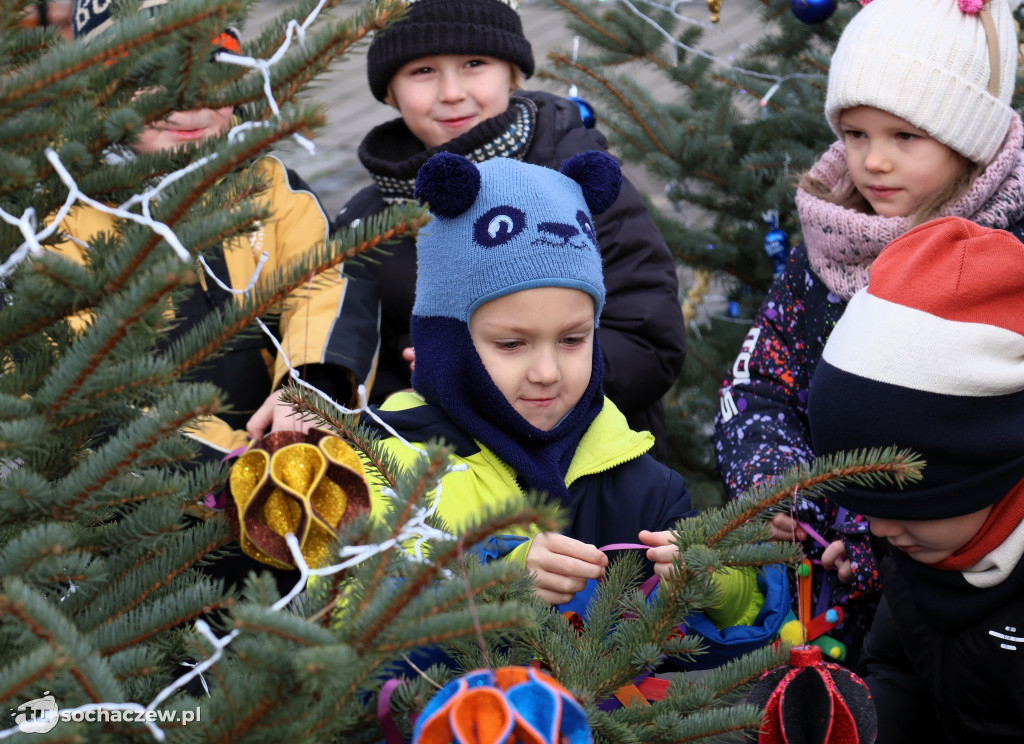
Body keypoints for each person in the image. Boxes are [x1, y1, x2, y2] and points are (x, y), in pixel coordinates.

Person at [358, 151, 788, 664]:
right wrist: (496, 586)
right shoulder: (387, 464)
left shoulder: (644, 483)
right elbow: (356, 639)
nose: (547, 372)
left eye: (571, 340)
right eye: (512, 345)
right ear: (448, 341)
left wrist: (721, 587)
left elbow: (721, 653)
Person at [711, 0, 1024, 665]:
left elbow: (988, 453)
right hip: (813, 602)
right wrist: (785, 493)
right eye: (855, 134)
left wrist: (868, 526)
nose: (873, 162)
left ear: (968, 138)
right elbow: (760, 379)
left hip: (961, 615)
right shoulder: (831, 245)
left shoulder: (1006, 259)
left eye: (905, 137)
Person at [335, 0, 685, 461]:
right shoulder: (369, 224)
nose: (453, 92)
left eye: (474, 64)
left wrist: (514, 376)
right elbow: (351, 362)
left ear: (513, 72)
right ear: (389, 92)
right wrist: (424, 376)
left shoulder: (576, 181)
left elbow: (648, 340)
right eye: (423, 71)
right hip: (447, 483)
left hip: (591, 466)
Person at [59, 0, 380, 462]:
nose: (192, 101)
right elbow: (88, 388)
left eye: (214, 71)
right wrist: (234, 462)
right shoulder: (62, 222)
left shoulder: (267, 184)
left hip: (290, 452)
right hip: (147, 496)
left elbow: (325, 284)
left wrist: (312, 388)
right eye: (153, 80)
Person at [806, 216, 1024, 743]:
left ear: (988, 467)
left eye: (908, 506)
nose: (879, 531)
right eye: (864, 506)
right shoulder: (917, 553)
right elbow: (901, 671)